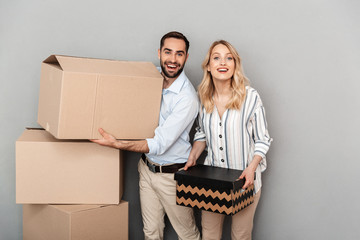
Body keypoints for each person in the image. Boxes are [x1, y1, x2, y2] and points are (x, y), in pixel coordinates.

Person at [91, 31, 201, 240]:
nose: (173, 59)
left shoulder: (187, 99)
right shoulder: (150, 76)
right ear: (159, 53)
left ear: (186, 57)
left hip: (172, 177)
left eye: (179, 54)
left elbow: (160, 143)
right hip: (146, 168)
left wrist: (117, 143)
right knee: (151, 233)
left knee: (188, 236)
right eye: (168, 52)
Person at [184, 40, 272, 240]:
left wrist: (251, 169)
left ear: (235, 64)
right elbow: (201, 133)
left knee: (240, 235)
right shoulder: (203, 97)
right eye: (216, 58)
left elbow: (263, 139)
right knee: (210, 235)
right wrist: (193, 156)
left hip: (245, 181)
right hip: (212, 182)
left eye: (228, 58)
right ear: (208, 66)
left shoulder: (250, 97)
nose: (222, 62)